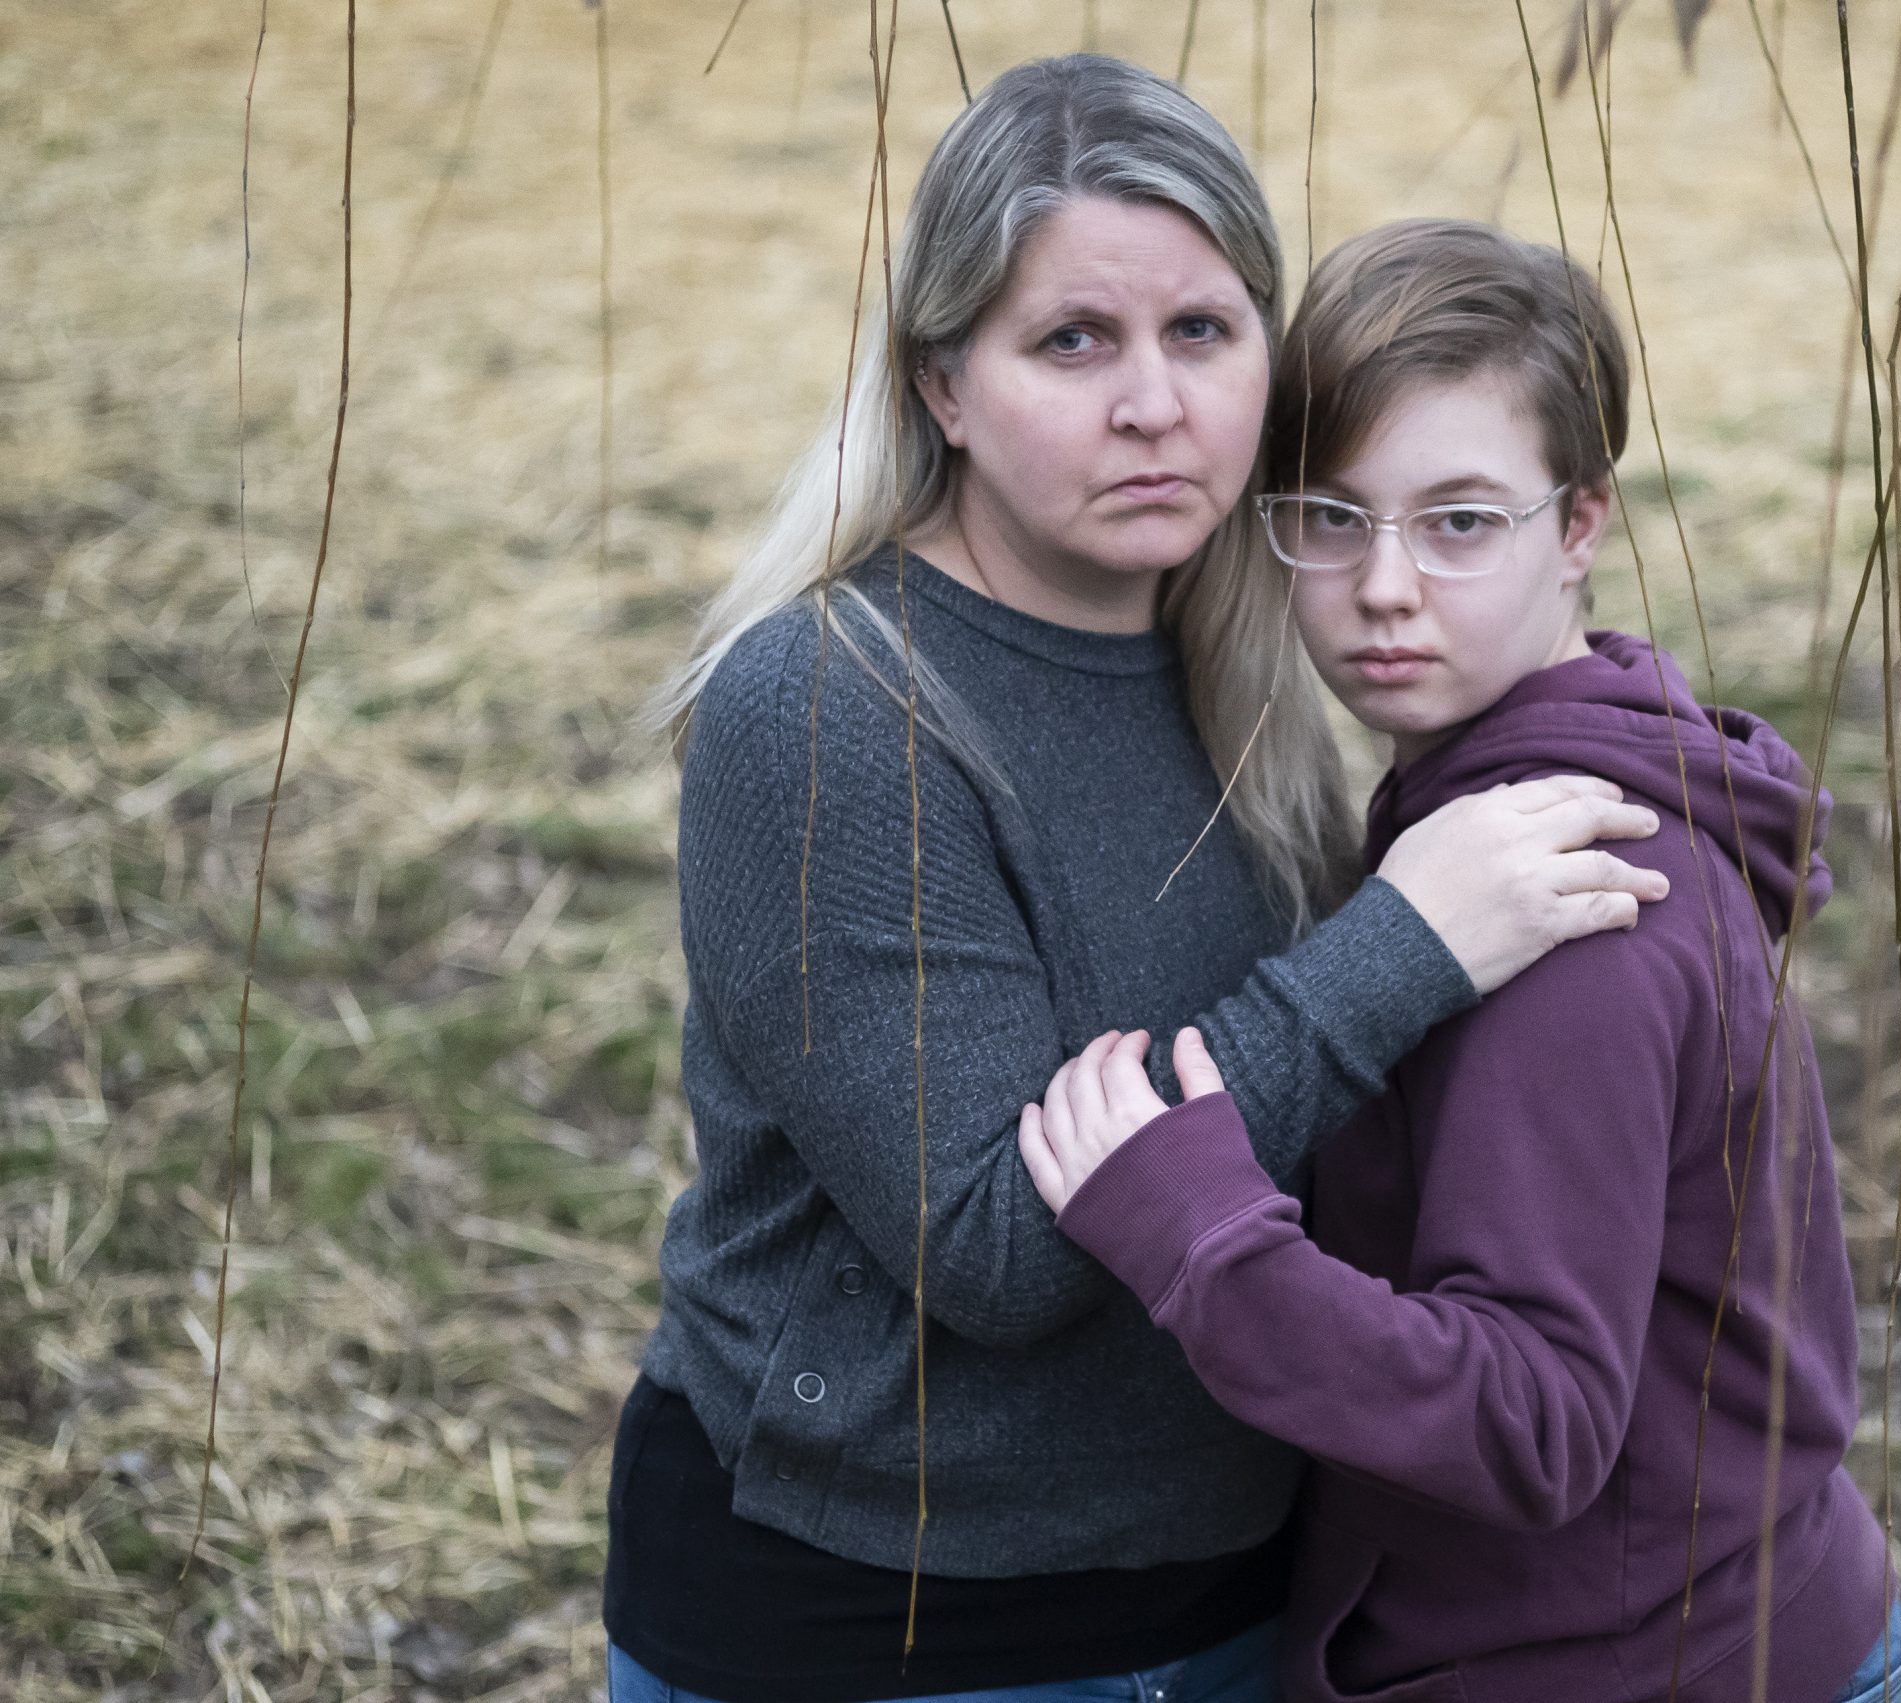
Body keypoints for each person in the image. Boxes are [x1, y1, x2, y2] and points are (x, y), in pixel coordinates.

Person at [603, 62, 1672, 1703]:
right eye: (1072, 342)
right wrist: (1402, 948)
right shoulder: (829, 711)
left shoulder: (1238, 671)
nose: (1155, 405)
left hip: (1236, 1599)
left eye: (1203, 331)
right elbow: (1000, 1251)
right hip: (884, 1624)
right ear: (945, 386)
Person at [1020, 220, 1901, 1703]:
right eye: (1330, 515)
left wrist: (1202, 1235)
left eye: (1460, 522)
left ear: (1580, 524)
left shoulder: (1568, 914)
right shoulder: (1522, 800)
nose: (1382, 588)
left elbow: (1534, 1419)